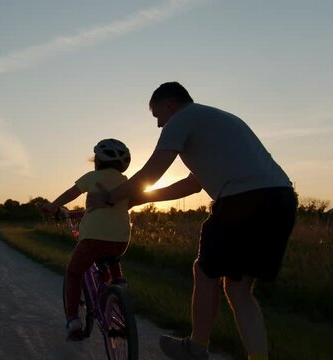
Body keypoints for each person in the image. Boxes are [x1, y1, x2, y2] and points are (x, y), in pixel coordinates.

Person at [87, 82, 297, 360]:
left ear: (168, 105)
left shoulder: (181, 119)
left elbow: (153, 171)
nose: (159, 125)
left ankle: (196, 347)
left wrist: (111, 198)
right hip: (280, 200)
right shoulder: (218, 121)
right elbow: (191, 185)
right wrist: (139, 199)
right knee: (239, 289)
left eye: (157, 116)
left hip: (242, 201)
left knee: (205, 271)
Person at [42, 138, 133, 341]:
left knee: (74, 273)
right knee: (111, 260)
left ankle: (73, 321)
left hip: (92, 240)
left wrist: (53, 205)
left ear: (97, 161)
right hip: (121, 241)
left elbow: (71, 193)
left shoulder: (93, 177)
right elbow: (110, 209)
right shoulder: (126, 183)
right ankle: (120, 292)